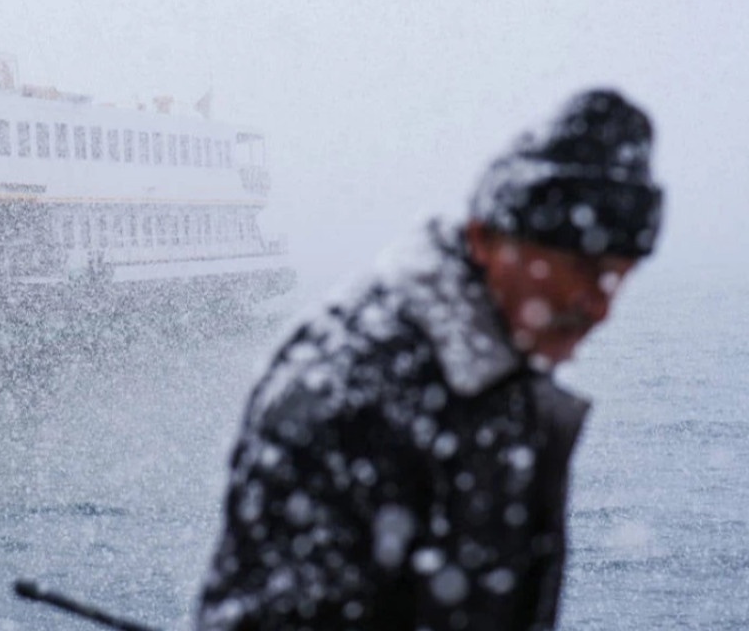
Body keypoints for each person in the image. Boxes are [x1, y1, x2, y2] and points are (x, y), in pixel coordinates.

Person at [195, 89, 664, 631]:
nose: (601, 307)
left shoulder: (490, 368)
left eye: (619, 275)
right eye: (580, 270)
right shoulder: (348, 395)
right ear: (486, 240)